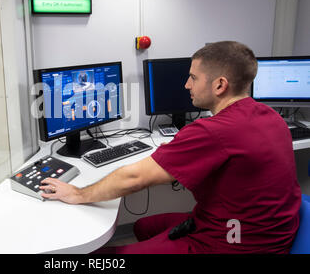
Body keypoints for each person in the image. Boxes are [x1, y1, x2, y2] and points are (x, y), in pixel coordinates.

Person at [40, 41, 302, 254]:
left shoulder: (213, 131)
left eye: (193, 77)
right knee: (143, 226)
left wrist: (78, 193)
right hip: (266, 232)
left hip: (234, 245)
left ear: (220, 85)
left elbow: (135, 177)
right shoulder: (270, 116)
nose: (187, 85)